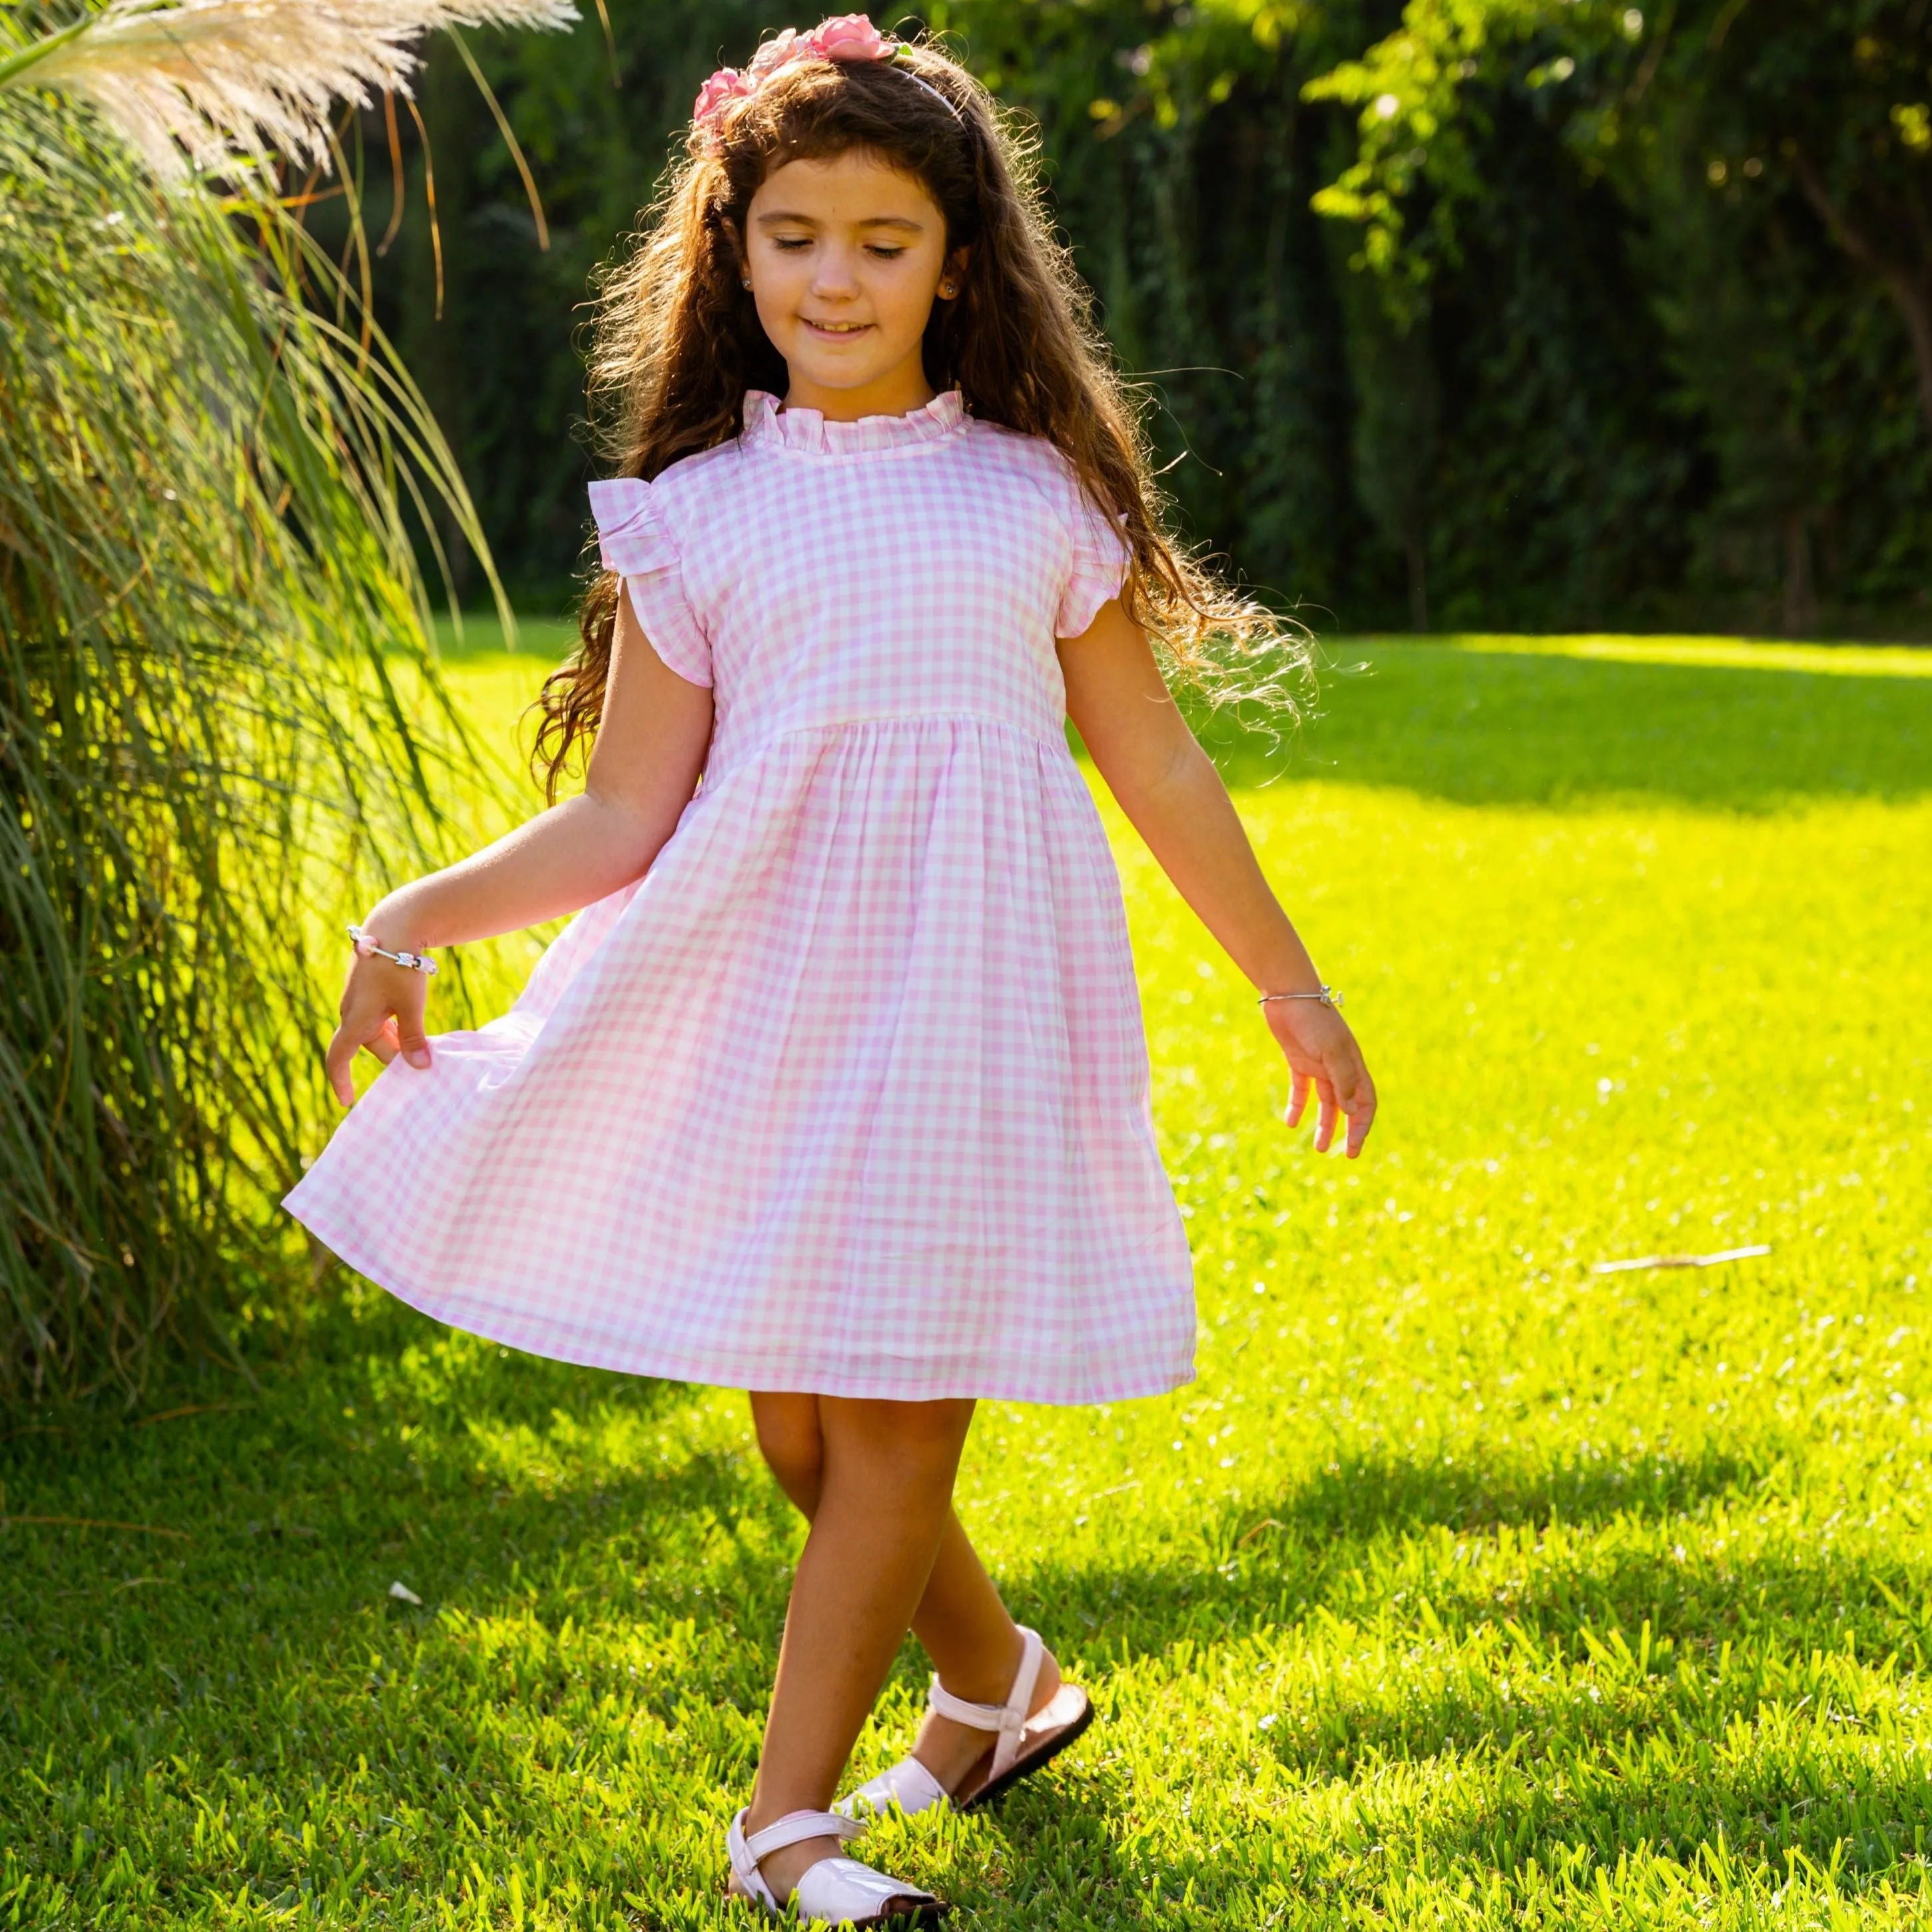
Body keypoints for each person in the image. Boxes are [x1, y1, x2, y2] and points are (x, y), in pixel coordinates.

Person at [284, 15, 1376, 1925]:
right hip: (769, 1000)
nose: (837, 276)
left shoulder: (1035, 490)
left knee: (881, 1423)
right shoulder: (693, 513)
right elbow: (621, 818)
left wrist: (1283, 976)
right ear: (732, 244)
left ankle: (783, 1826)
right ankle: (997, 1684)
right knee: (803, 1430)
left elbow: (1152, 756)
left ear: (960, 257)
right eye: (795, 233)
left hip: (970, 1005)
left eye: (885, 237)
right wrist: (404, 920)